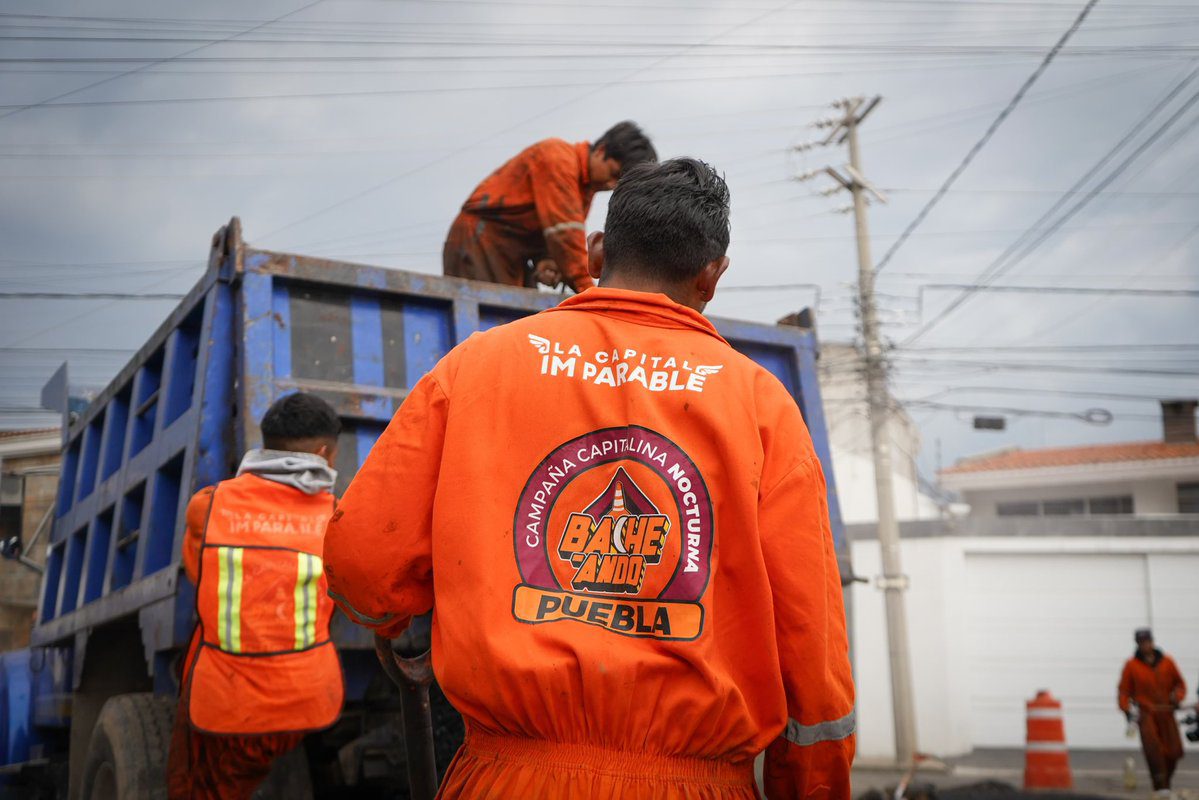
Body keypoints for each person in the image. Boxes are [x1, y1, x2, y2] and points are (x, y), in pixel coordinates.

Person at [326, 158, 856, 798]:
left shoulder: (478, 368)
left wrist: (385, 620)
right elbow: (812, 648)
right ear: (711, 276)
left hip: (508, 779)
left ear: (598, 247)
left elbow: (363, 566)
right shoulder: (761, 404)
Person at [167, 393, 345, 799]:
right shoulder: (336, 519)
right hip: (304, 702)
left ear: (266, 446)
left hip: (225, 701)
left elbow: (201, 575)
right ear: (324, 454)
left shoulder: (207, 507)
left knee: (196, 786)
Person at [442, 121, 657, 293]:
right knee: (496, 323)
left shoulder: (585, 187)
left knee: (519, 322)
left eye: (617, 183)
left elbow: (552, 234)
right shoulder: (558, 159)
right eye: (612, 174)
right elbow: (564, 235)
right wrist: (590, 293)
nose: (611, 186)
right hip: (480, 241)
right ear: (601, 151)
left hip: (510, 253)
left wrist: (546, 260)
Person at [1119, 628, 1186, 797]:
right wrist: (1127, 710)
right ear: (1138, 644)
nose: (1145, 645)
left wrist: (1177, 697)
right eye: (1141, 643)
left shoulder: (1167, 662)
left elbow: (1180, 684)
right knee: (1154, 750)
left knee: (1174, 751)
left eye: (1147, 641)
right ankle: (1160, 787)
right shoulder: (1132, 666)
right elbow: (1124, 691)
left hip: (1167, 713)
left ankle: (1166, 783)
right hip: (1147, 714)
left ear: (1152, 642)